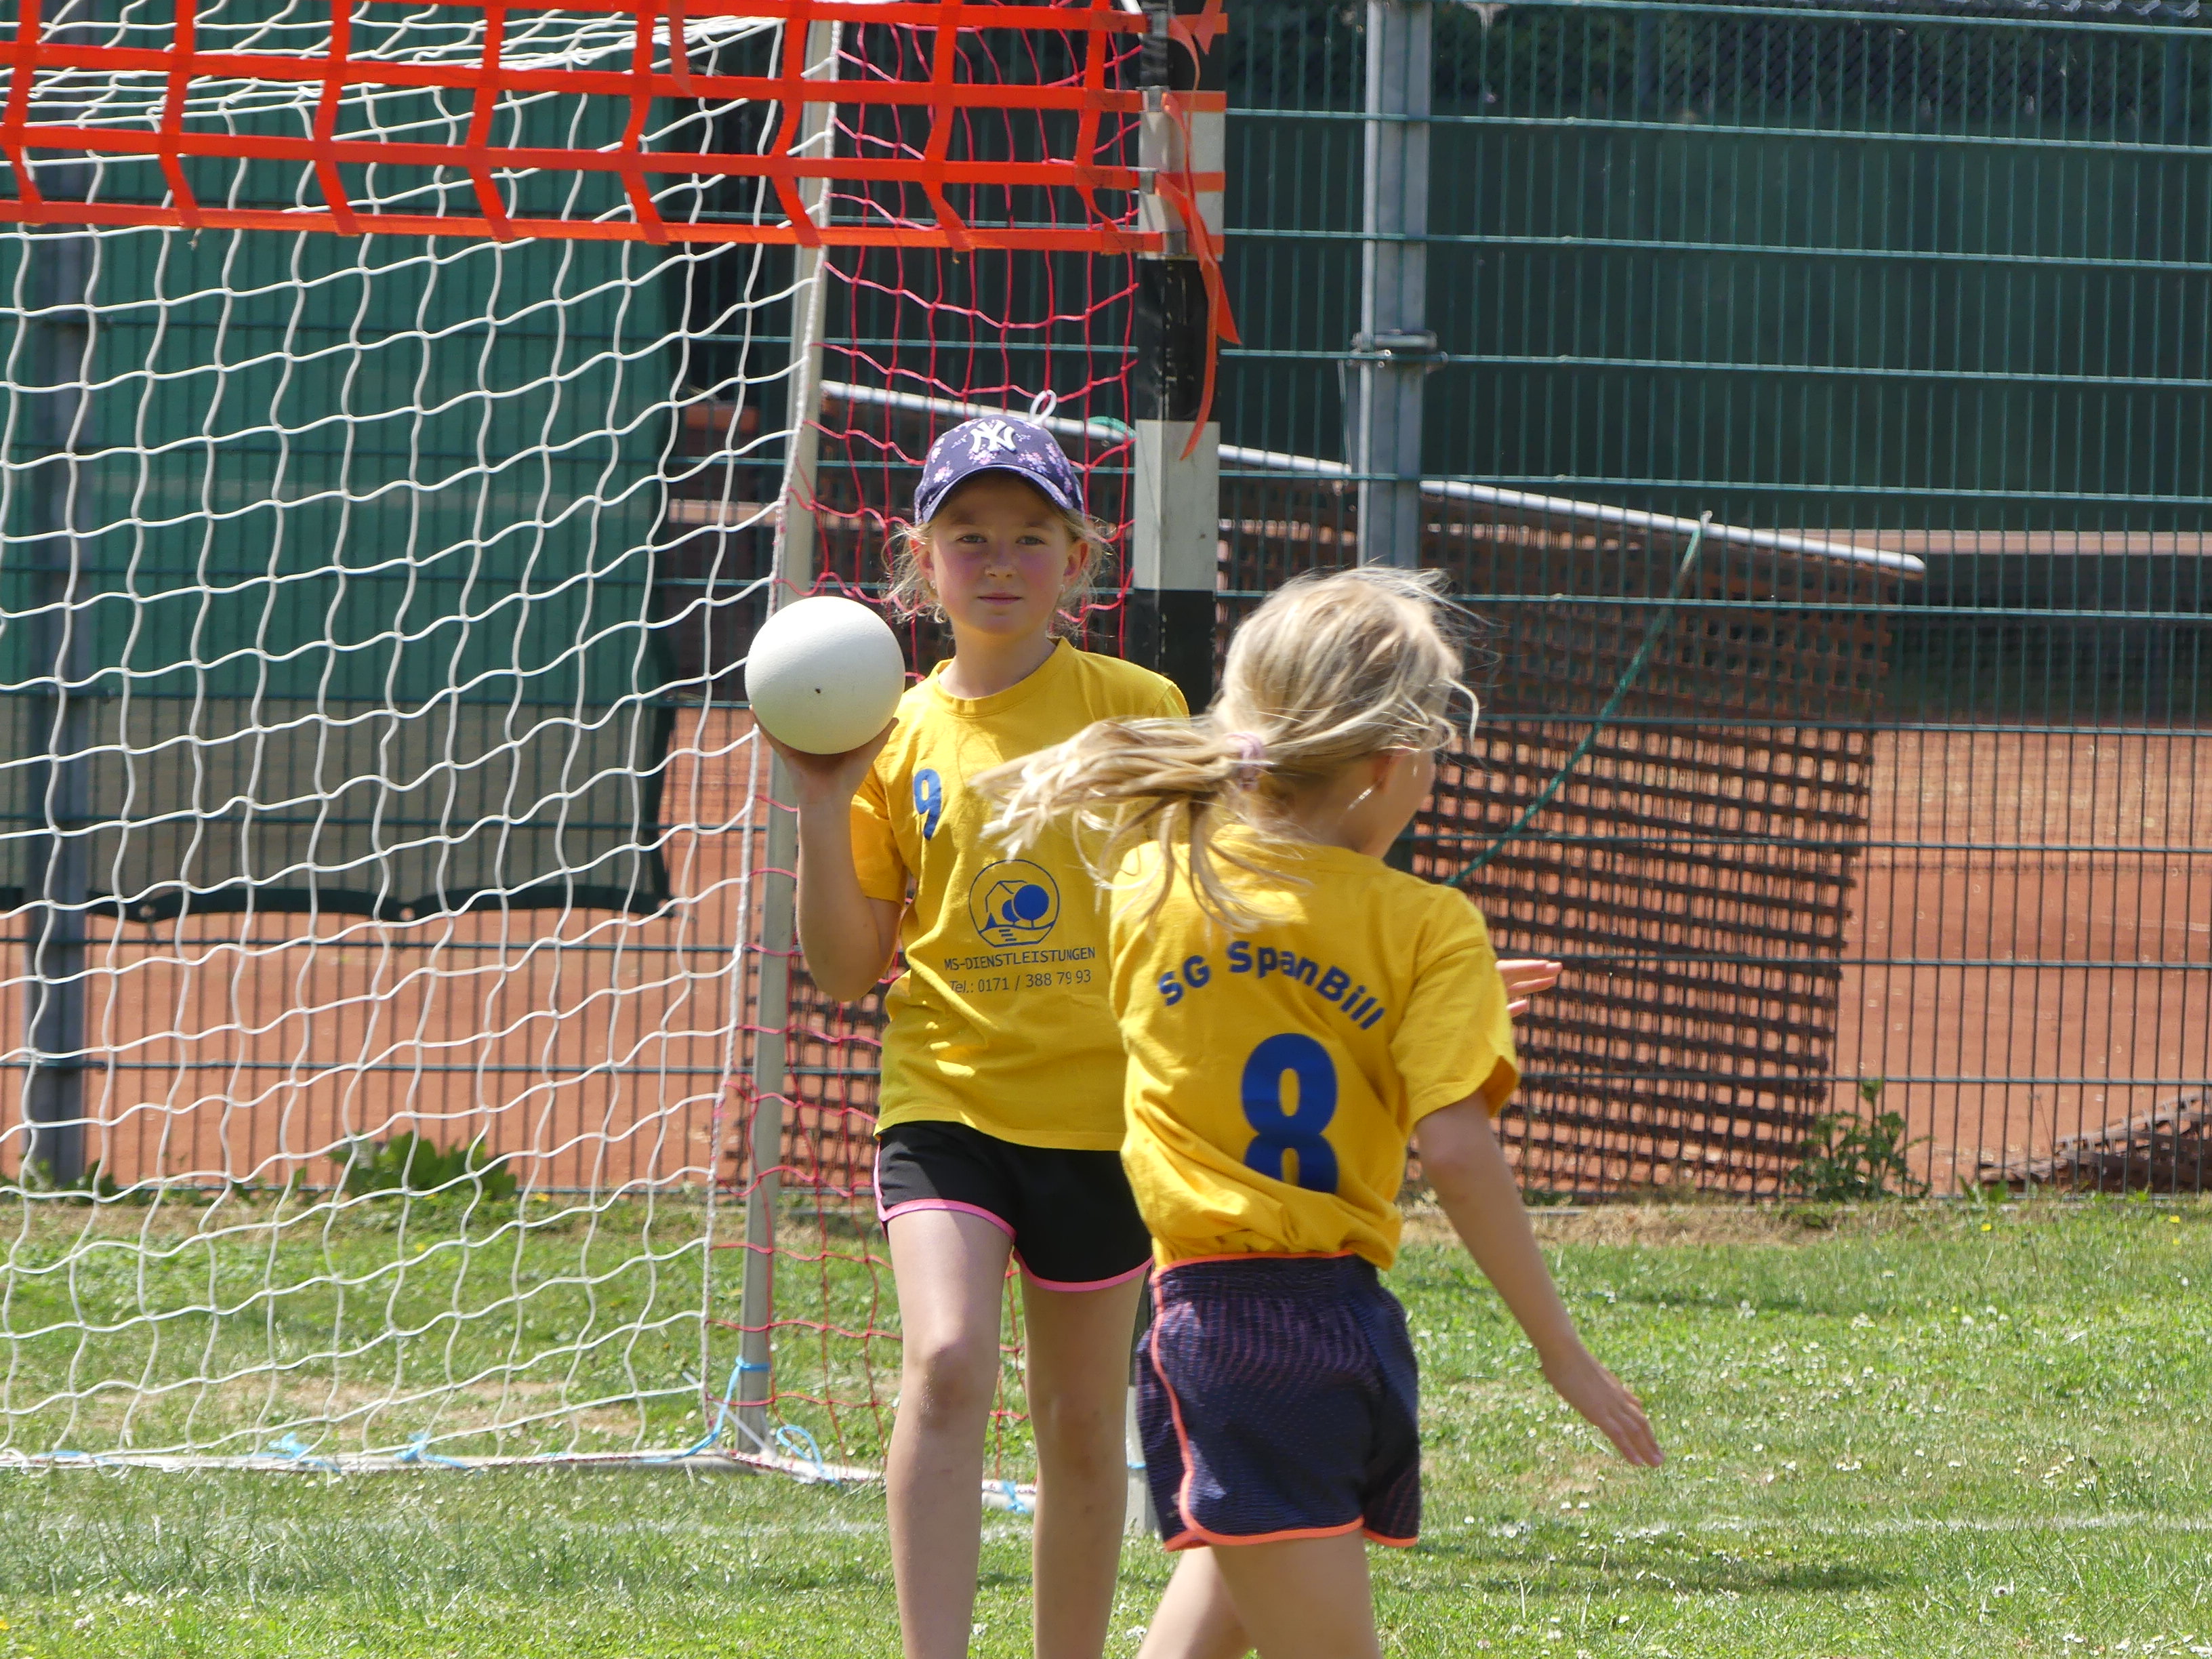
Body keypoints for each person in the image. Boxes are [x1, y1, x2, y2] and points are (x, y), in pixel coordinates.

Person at [981, 566, 1662, 1659]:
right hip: (1319, 1325)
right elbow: (1453, 1147)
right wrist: (1561, 1352)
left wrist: (1427, 1000)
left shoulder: (1157, 884)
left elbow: (1255, 987)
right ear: (1391, 761)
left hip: (1222, 1325)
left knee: (1228, 1600)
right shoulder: (1428, 928)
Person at [764, 413, 1189, 1659]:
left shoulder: (1139, 708)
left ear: (1079, 557)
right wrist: (823, 804)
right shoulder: (887, 733)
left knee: (1079, 1422)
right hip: (945, 1100)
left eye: (1029, 536)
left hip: (1103, 1117)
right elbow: (846, 969)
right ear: (922, 562)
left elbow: (1205, 898)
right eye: (969, 536)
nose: (999, 560)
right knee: (947, 1359)